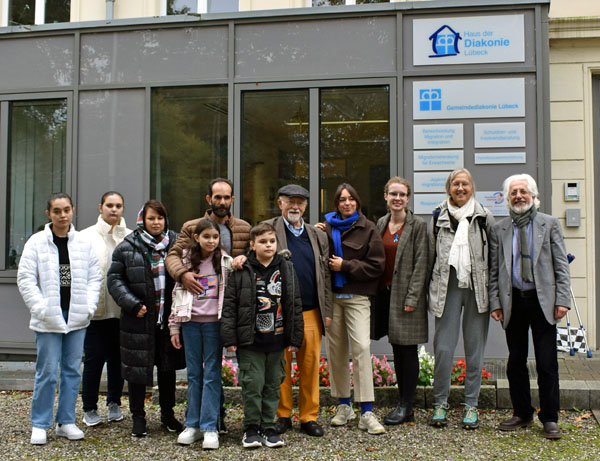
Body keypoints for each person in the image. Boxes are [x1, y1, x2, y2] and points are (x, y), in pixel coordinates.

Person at [489, 174, 570, 439]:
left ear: (533, 196)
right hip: (513, 301)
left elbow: (561, 265)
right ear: (507, 198)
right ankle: (522, 412)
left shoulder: (549, 224)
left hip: (543, 301)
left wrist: (562, 300)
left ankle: (550, 418)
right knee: (515, 361)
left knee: (547, 363)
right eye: (513, 193)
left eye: (523, 191)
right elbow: (494, 270)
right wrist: (496, 302)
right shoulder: (500, 228)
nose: (518, 196)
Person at [165, 178, 250, 431]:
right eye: (217, 197)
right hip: (197, 310)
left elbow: (254, 254)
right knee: (198, 371)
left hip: (228, 308)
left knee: (214, 369)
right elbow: (173, 255)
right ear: (208, 199)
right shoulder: (192, 226)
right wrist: (183, 274)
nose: (222, 202)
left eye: (226, 197)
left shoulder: (244, 228)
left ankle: (215, 420)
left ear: (232, 199)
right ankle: (206, 421)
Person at [17, 193, 102, 445]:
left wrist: (88, 307)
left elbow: (94, 277)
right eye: (57, 211)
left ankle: (66, 421)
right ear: (49, 214)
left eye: (66, 210)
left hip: (76, 317)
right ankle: (40, 424)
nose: (62, 215)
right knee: (47, 372)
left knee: (72, 371)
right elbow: (25, 278)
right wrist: (40, 308)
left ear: (73, 210)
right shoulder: (36, 242)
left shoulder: (83, 243)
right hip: (49, 318)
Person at [221, 223, 304, 449]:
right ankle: (251, 428)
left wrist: (295, 338)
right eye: (262, 242)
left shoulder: (286, 268)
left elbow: (295, 303)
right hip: (251, 341)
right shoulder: (242, 269)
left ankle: (269, 427)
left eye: (272, 241)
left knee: (273, 384)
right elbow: (229, 305)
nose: (268, 245)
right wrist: (229, 339)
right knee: (252, 385)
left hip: (277, 341)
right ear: (252, 245)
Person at [108, 200, 185, 437]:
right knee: (137, 371)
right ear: (142, 219)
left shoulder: (176, 244)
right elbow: (114, 280)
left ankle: (167, 415)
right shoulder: (127, 246)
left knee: (167, 369)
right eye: (151, 218)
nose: (156, 222)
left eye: (160, 218)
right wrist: (132, 304)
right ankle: (138, 418)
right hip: (139, 320)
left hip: (168, 321)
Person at [261, 185, 332, 438]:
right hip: (280, 311)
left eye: (300, 202)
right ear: (280, 204)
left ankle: (308, 416)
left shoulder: (317, 234)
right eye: (290, 201)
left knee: (310, 365)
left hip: (311, 311)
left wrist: (328, 310)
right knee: (281, 365)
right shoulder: (269, 229)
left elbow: (325, 275)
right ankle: (282, 415)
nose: (295, 206)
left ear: (306, 206)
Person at [428, 168, 494, 430]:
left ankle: (471, 405)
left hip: (476, 288)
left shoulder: (483, 217)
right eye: (456, 184)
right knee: (443, 348)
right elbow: (430, 257)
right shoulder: (437, 216)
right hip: (447, 287)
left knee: (474, 350)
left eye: (465, 184)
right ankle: (440, 403)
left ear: (472, 187)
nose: (460, 188)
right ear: (449, 188)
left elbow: (493, 256)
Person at [322, 183, 386, 435]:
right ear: (336, 204)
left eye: (351, 199)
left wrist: (345, 266)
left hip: (358, 297)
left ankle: (367, 410)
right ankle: (343, 406)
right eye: (342, 200)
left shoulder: (368, 228)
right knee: (336, 351)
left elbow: (376, 266)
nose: (347, 203)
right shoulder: (325, 228)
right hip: (333, 298)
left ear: (357, 202)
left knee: (361, 347)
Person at [169, 219, 232, 449]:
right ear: (197, 238)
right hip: (190, 324)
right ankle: (192, 425)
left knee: (212, 375)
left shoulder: (225, 261)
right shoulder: (186, 260)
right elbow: (176, 294)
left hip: (214, 326)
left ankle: (210, 427)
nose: (211, 241)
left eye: (215, 237)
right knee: (194, 374)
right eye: (207, 237)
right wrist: (174, 326)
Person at [371, 177, 428, 426]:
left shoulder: (417, 225)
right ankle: (403, 403)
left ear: (408, 198)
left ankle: (407, 405)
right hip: (386, 295)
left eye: (402, 195)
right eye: (393, 194)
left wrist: (413, 297)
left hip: (407, 297)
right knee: (397, 348)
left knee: (408, 351)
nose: (397, 198)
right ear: (385, 196)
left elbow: (422, 263)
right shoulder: (381, 223)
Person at [79, 191, 130, 427]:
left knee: (118, 360)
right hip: (95, 313)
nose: (114, 209)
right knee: (93, 361)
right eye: (109, 205)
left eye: (118, 205)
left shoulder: (130, 237)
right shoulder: (84, 237)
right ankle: (89, 408)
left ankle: (114, 403)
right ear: (100, 207)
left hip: (122, 312)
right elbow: (71, 271)